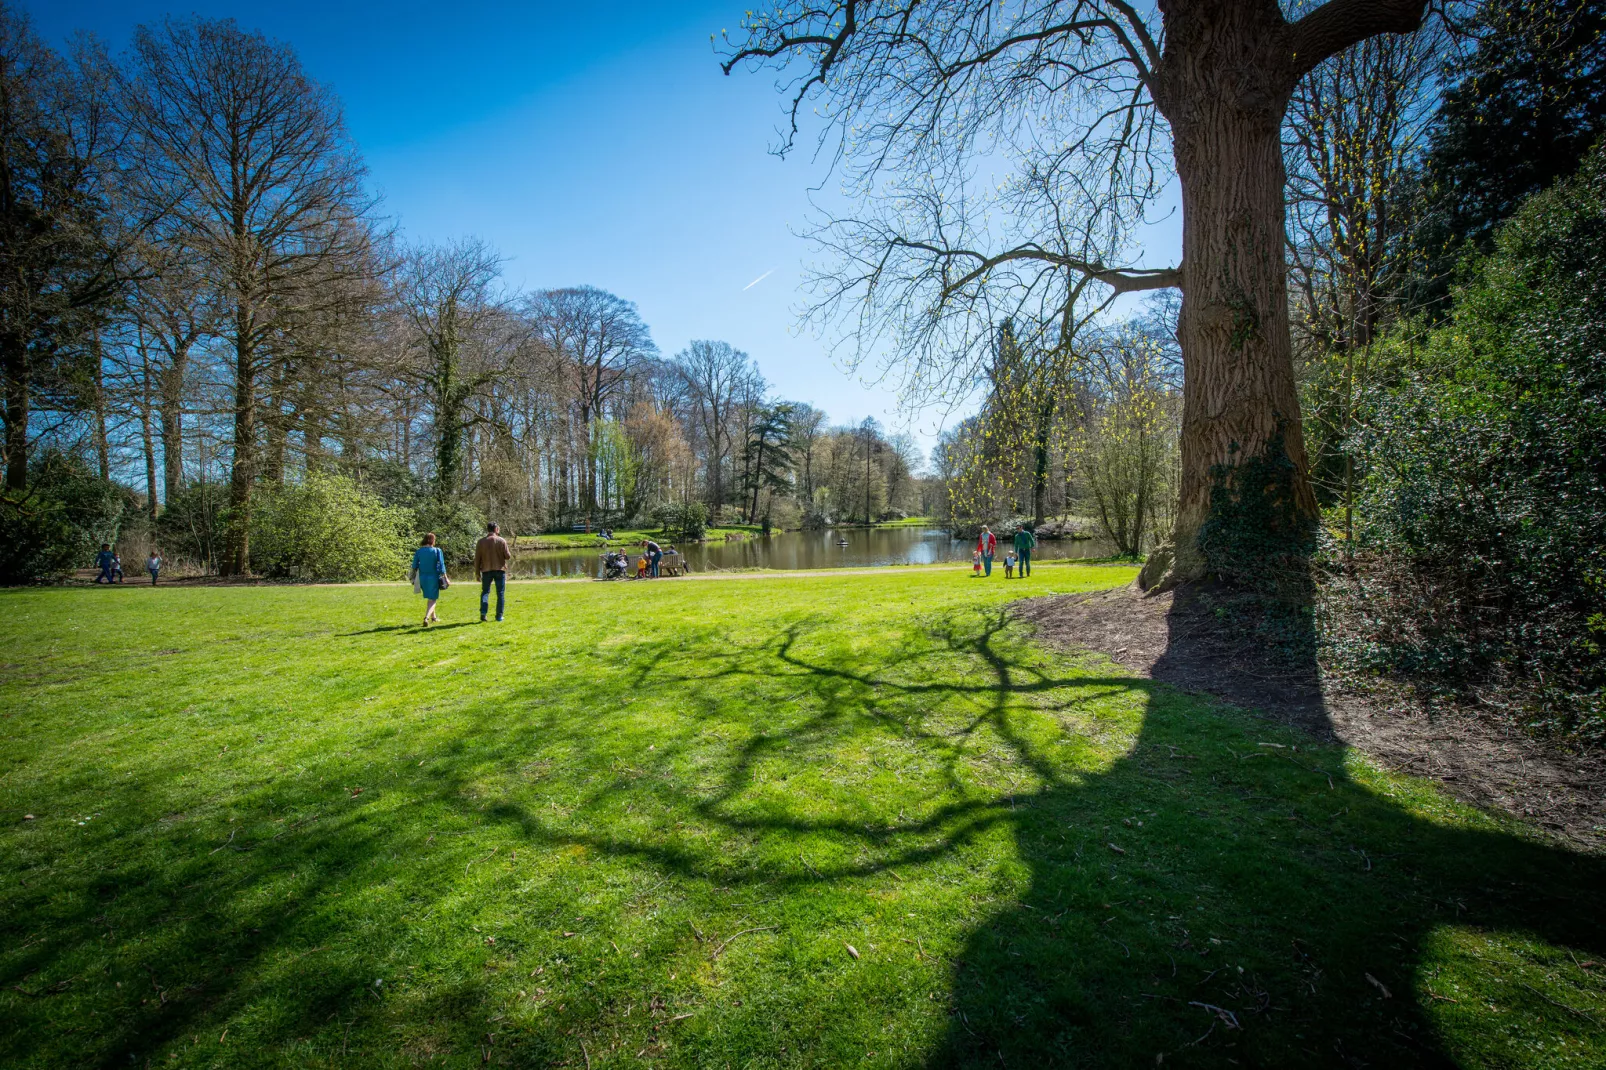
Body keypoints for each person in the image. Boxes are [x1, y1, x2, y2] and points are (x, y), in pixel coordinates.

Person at [474, 521, 512, 622]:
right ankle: (499, 616)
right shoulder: (501, 540)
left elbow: (477, 559)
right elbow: (508, 556)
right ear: (496, 529)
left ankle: (483, 613)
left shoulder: (481, 542)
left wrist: (477, 573)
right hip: (499, 570)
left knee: (485, 592)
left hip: (486, 570)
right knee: (500, 593)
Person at [409, 532, 449, 627]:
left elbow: (414, 565)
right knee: (433, 599)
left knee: (430, 598)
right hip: (433, 577)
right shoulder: (437, 551)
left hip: (422, 578)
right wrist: (446, 578)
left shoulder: (419, 551)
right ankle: (426, 618)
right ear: (432, 540)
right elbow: (442, 566)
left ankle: (434, 618)